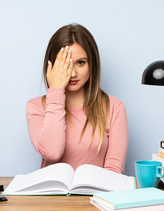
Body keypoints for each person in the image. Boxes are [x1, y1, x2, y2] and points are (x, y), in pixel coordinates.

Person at [26, 23, 128, 174]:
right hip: (53, 195)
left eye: (80, 63)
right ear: (52, 66)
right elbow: (52, 153)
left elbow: (113, 170)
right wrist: (56, 91)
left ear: (92, 64)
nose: (72, 73)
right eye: (65, 64)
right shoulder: (36, 106)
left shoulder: (114, 107)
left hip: (97, 195)